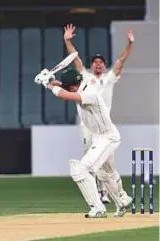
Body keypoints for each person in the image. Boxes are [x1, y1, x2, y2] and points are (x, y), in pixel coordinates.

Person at [35, 68, 132, 218]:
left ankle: (98, 208)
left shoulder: (90, 93)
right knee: (105, 173)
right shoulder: (82, 85)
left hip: (107, 137)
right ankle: (122, 202)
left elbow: (65, 95)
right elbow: (63, 86)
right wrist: (50, 80)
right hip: (101, 137)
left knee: (81, 169)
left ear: (72, 86)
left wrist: (47, 85)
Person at [63, 24, 134, 209]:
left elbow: (120, 62)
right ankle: (103, 197)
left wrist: (129, 45)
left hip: (104, 126)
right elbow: (75, 59)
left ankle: (113, 197)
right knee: (91, 162)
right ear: (92, 64)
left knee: (105, 166)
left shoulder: (108, 79)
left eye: (100, 62)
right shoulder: (85, 78)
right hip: (88, 126)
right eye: (95, 62)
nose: (97, 64)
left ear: (103, 65)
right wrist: (67, 41)